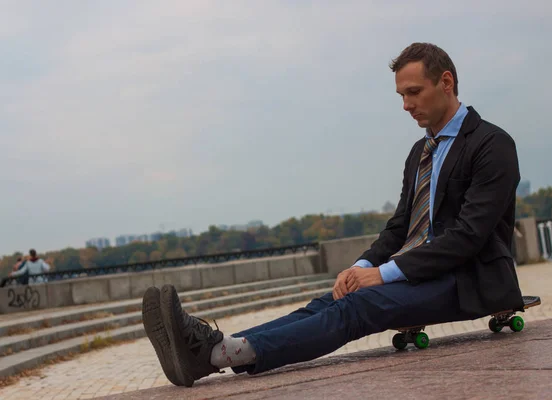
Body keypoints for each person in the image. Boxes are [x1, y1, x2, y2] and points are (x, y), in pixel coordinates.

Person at [142, 42, 524, 388]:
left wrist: (381, 274)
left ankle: (212, 354)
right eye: (401, 95)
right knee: (329, 301)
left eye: (413, 92)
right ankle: (218, 349)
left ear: (446, 82)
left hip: (470, 279)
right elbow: (399, 228)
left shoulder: (492, 145)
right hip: (423, 274)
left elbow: (468, 236)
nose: (406, 105)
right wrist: (359, 267)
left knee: (359, 306)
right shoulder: (419, 152)